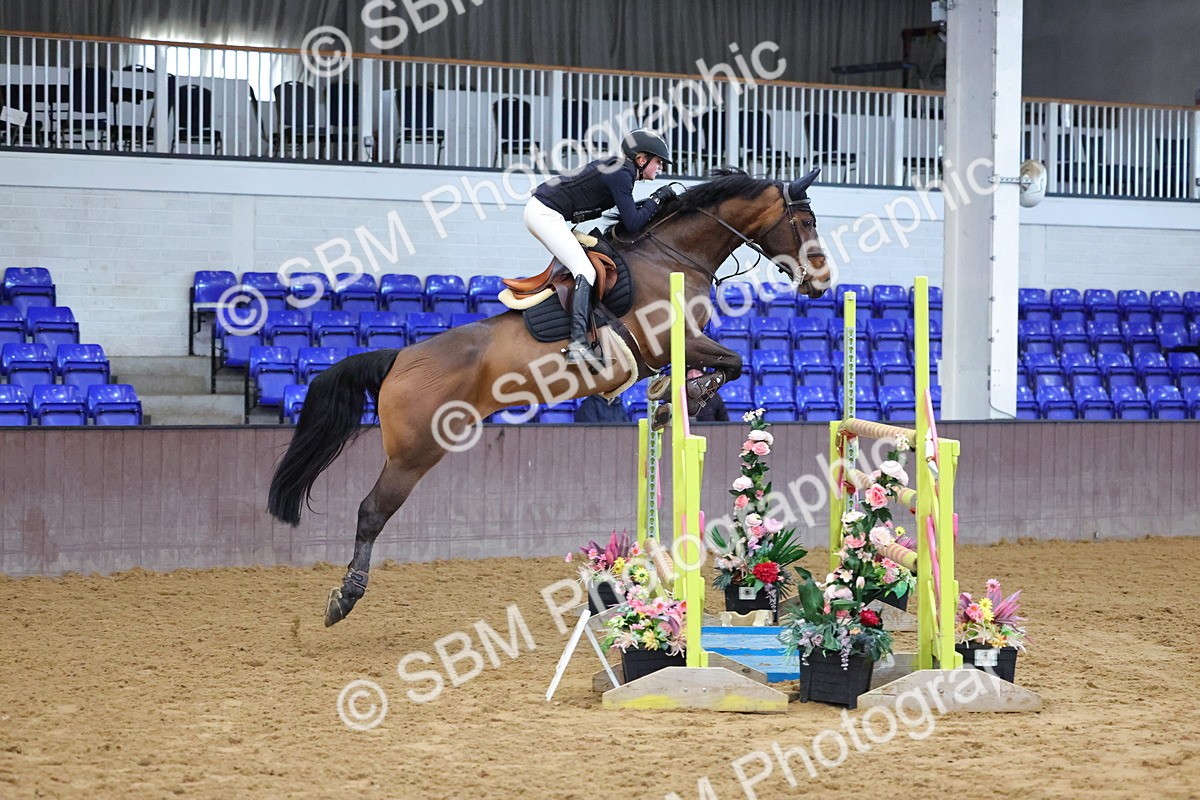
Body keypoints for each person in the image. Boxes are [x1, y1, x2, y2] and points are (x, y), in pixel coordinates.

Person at [525, 128, 677, 363]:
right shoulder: (621, 173)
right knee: (584, 270)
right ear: (641, 159)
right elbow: (634, 222)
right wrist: (657, 199)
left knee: (591, 261)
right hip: (545, 214)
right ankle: (578, 344)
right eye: (658, 162)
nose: (661, 167)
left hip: (545, 213)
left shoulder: (622, 170)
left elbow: (630, 216)